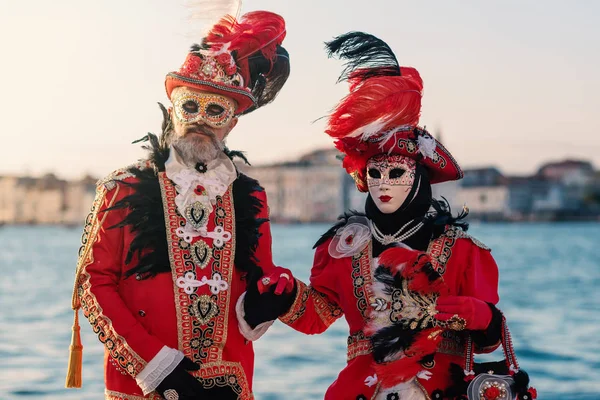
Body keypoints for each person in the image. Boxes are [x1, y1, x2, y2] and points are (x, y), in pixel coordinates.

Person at [244, 32, 507, 399]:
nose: (383, 183)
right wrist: (283, 296)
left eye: (396, 173)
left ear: (419, 178)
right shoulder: (343, 247)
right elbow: (318, 315)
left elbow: (488, 343)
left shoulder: (462, 250)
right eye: (375, 173)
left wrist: (479, 315)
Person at [65, 10, 293, 400]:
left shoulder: (250, 196)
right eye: (190, 107)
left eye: (215, 110)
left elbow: (260, 278)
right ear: (173, 110)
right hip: (141, 388)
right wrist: (154, 366)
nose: (201, 120)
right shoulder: (124, 188)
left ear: (233, 122)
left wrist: (260, 306)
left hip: (229, 385)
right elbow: (93, 285)